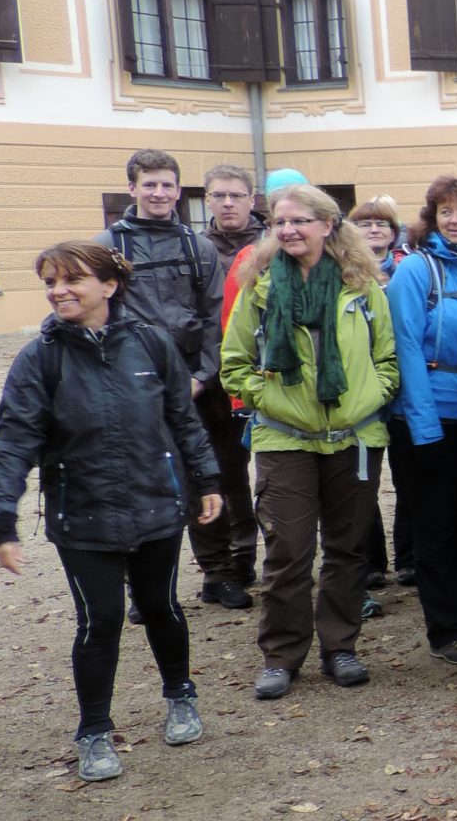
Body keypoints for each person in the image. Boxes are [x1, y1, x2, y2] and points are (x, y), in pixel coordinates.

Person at [0, 241, 224, 781]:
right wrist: (2, 516)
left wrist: (207, 477)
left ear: (109, 286)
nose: (58, 290)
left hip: (155, 504)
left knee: (161, 606)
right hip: (83, 513)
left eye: (71, 279)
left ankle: (180, 695)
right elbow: (14, 439)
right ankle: (94, 731)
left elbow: (183, 420)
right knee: (101, 621)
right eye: (50, 281)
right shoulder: (40, 358)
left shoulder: (151, 344)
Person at [222, 184, 398, 700]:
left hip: (356, 437)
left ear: (327, 226)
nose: (289, 230)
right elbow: (233, 365)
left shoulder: (362, 285)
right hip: (284, 439)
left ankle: (341, 646)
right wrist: (270, 399)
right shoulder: (259, 287)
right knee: (289, 552)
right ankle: (282, 655)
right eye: (280, 222)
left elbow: (387, 359)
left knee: (347, 550)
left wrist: (371, 394)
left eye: (300, 221)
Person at [384, 176, 457, 666]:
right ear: (432, 219)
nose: (456, 220)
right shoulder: (415, 272)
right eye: (445, 212)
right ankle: (447, 629)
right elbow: (406, 346)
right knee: (436, 528)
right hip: (427, 417)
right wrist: (425, 424)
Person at [94, 149, 223, 416]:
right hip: (130, 376)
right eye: (149, 185)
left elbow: (215, 316)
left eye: (167, 185)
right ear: (132, 188)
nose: (159, 193)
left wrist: (201, 377)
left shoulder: (200, 248)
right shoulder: (107, 247)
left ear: (178, 191)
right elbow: (94, 316)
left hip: (194, 379)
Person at [194, 163, 264, 608]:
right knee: (215, 473)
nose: (227, 203)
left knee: (264, 476)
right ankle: (222, 566)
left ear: (251, 199)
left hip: (261, 376)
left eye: (236, 195)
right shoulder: (195, 248)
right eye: (218, 196)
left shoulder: (273, 243)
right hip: (208, 380)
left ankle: (252, 555)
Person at [349, 194, 407, 615]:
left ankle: (409, 557)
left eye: (381, 224)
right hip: (358, 392)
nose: (374, 230)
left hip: (398, 386)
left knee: (406, 479)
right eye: (365, 223)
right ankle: (369, 563)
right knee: (360, 482)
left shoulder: (408, 269)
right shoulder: (346, 272)